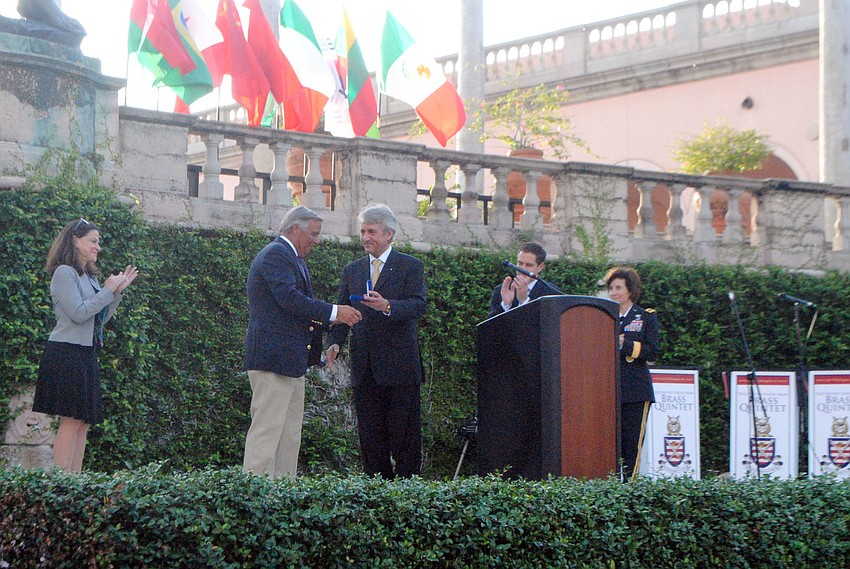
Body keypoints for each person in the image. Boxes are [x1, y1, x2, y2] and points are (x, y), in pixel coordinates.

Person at [242, 206, 362, 479]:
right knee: (267, 432)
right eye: (314, 234)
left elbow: (295, 311)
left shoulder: (292, 258)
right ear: (295, 229)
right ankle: (251, 499)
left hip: (290, 362)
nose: (317, 240)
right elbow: (290, 300)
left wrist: (332, 321)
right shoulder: (275, 255)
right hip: (273, 361)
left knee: (289, 435)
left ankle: (283, 496)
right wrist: (334, 311)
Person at [326, 204, 427, 478]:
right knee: (371, 437)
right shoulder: (352, 270)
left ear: (389, 234)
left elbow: (418, 306)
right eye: (362, 231)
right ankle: (375, 491)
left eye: (371, 231)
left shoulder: (410, 266)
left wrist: (387, 306)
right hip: (365, 367)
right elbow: (342, 309)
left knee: (405, 435)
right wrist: (334, 342)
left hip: (400, 367)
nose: (365, 237)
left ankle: (407, 492)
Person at [32, 218, 139, 472]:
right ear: (75, 241)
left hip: (85, 351)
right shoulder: (64, 273)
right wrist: (107, 290)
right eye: (93, 241)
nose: (97, 247)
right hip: (66, 352)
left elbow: (99, 319)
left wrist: (116, 293)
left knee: (83, 422)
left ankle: (76, 483)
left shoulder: (88, 275)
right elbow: (79, 313)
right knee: (70, 420)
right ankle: (61, 485)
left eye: (98, 242)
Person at [605, 266, 658, 481]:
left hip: (635, 390)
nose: (614, 293)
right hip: (609, 390)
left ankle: (630, 486)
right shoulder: (605, 317)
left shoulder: (645, 316)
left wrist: (625, 344)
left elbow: (652, 351)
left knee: (631, 444)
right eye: (611, 288)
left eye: (618, 288)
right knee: (609, 443)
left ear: (630, 290)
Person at [488, 242, 561, 317]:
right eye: (520, 263)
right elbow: (489, 327)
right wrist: (505, 305)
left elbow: (549, 326)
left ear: (540, 266)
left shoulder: (551, 294)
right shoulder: (501, 290)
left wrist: (524, 302)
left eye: (529, 265)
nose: (522, 269)